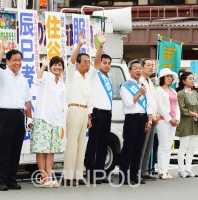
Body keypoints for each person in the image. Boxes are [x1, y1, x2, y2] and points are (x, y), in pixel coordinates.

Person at [0, 36, 33, 191]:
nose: (17, 63)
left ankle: (11, 179)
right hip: (5, 115)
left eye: (19, 60)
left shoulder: (23, 79)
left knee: (16, 149)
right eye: (14, 60)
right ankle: (1, 180)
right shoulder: (2, 75)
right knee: (4, 149)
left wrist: (30, 118)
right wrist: (2, 50)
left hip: (19, 115)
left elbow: (27, 101)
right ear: (8, 61)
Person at [30, 56, 65, 188]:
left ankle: (49, 177)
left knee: (51, 150)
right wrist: (43, 66)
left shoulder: (62, 83)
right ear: (50, 67)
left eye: (60, 65)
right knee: (41, 149)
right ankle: (43, 177)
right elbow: (36, 80)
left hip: (55, 119)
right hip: (43, 117)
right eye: (54, 65)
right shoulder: (45, 76)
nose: (57, 67)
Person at [63, 30, 92, 186]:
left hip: (84, 111)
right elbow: (71, 61)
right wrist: (80, 44)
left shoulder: (88, 78)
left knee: (82, 144)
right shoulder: (72, 75)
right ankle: (68, 176)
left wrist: (89, 116)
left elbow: (89, 98)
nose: (88, 64)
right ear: (79, 63)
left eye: (89, 62)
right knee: (72, 144)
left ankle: (78, 175)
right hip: (73, 109)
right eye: (85, 61)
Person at [85, 34, 113, 184]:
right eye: (104, 62)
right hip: (96, 113)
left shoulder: (107, 78)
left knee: (103, 145)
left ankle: (100, 173)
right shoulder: (94, 74)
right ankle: (90, 173)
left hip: (107, 114)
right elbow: (95, 62)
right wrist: (100, 47)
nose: (107, 65)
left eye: (109, 63)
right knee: (93, 144)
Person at [119, 59, 152, 185]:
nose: (138, 70)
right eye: (135, 68)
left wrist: (149, 120)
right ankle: (123, 176)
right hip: (132, 118)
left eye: (140, 68)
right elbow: (129, 103)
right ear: (130, 71)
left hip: (143, 118)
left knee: (138, 148)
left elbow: (147, 104)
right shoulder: (125, 86)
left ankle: (134, 175)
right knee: (129, 148)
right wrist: (139, 93)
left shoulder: (142, 86)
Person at [176, 71, 198, 178]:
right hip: (185, 123)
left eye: (193, 78)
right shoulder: (181, 93)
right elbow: (183, 110)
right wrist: (196, 114)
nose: (192, 80)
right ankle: (181, 169)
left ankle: (188, 168)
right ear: (183, 81)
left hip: (195, 124)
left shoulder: (195, 93)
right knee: (183, 147)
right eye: (190, 78)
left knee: (192, 147)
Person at [155, 68, 180, 180]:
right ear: (162, 78)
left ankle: (166, 170)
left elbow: (177, 107)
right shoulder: (159, 90)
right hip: (163, 121)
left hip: (173, 121)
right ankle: (161, 171)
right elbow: (160, 107)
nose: (170, 78)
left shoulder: (173, 91)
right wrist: (169, 119)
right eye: (167, 76)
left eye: (171, 76)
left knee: (169, 146)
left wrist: (177, 119)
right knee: (163, 145)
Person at [139, 59, 158, 181]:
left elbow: (154, 101)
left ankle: (144, 170)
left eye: (153, 66)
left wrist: (157, 115)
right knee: (141, 145)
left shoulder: (150, 82)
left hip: (153, 117)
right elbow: (145, 102)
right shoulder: (140, 81)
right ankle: (138, 170)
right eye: (148, 65)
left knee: (149, 145)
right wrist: (150, 117)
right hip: (145, 117)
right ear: (142, 67)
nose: (151, 68)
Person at [148, 73, 159, 175]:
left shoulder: (156, 91)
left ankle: (152, 166)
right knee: (147, 146)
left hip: (157, 124)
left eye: (155, 81)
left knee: (155, 146)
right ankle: (147, 167)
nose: (153, 83)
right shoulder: (147, 89)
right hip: (150, 121)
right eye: (152, 81)